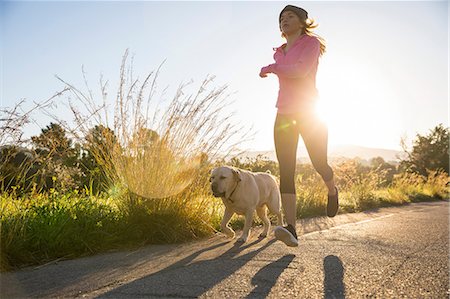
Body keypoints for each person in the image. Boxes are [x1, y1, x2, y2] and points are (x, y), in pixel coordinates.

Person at [259, 5, 339, 247]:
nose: (284, 20)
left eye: (290, 16)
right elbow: (286, 70)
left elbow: (301, 70)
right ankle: (292, 228)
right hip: (284, 114)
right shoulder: (279, 51)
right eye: (281, 18)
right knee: (286, 168)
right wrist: (275, 64)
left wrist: (272, 68)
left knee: (318, 163)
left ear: (303, 21)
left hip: (310, 113)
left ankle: (332, 189)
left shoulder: (310, 43)